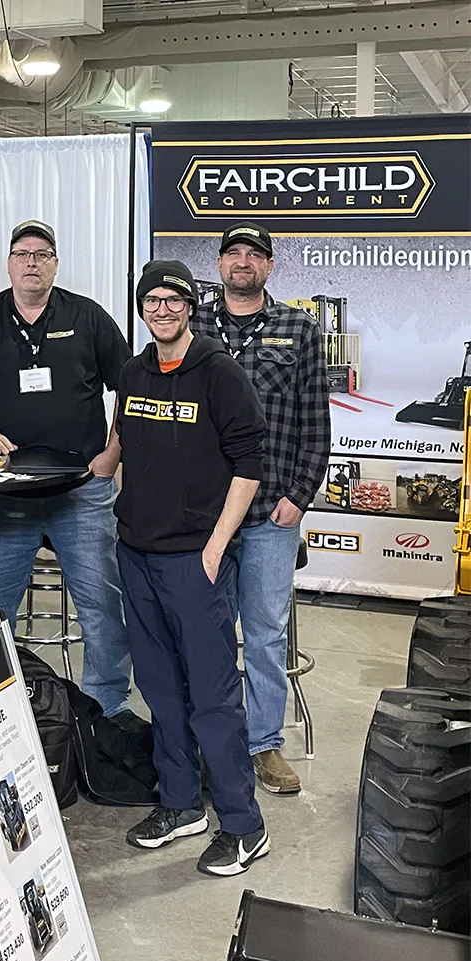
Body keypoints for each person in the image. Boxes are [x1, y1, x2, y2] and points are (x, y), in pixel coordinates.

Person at [0, 220, 133, 716]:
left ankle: (106, 712)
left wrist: (111, 455)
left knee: (103, 611)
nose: (32, 263)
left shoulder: (87, 317)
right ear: (9, 263)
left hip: (82, 493)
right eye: (23, 254)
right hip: (4, 496)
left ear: (56, 263)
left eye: (42, 254)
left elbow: (131, 390)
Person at [116, 260, 270, 876]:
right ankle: (181, 805)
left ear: (190, 306)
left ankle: (243, 824)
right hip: (137, 554)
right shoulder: (133, 371)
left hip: (194, 561)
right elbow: (121, 441)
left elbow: (249, 463)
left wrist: (215, 546)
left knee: (212, 695)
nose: (162, 309)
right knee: (158, 688)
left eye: (173, 300)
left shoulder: (219, 373)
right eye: (151, 300)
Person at [193, 222, 330, 795]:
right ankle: (213, 740)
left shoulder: (298, 327)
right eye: (233, 253)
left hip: (271, 512)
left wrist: (299, 495)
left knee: (267, 632)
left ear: (269, 267)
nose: (242, 262)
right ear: (220, 263)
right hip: (205, 516)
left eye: (254, 255)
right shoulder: (192, 321)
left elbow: (315, 420)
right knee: (209, 630)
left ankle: (264, 744)